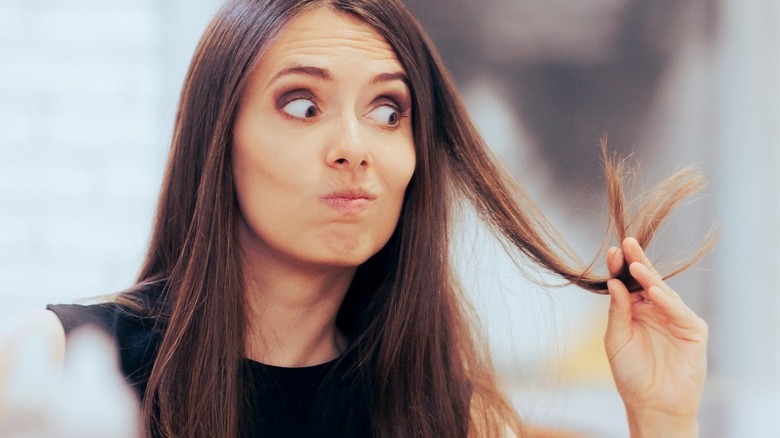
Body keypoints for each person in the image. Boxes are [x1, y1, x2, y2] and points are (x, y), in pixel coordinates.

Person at [0, 0, 712, 437]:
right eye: (303, 105)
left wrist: (664, 419)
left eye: (387, 111)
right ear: (218, 144)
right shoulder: (58, 364)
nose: (354, 149)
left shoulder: (457, 418)